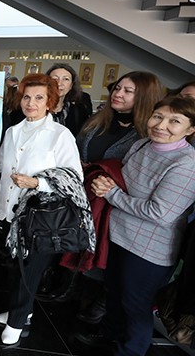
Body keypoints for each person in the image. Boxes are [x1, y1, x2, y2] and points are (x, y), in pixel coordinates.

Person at [81, 96, 195, 356]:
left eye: (174, 121)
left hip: (149, 250)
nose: (161, 125)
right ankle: (109, 338)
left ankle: (130, 351)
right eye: (158, 116)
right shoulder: (142, 144)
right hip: (118, 235)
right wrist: (105, 182)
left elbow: (160, 213)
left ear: (190, 129)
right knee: (113, 293)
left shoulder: (186, 164)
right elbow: (123, 180)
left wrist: (111, 194)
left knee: (135, 305)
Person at [55, 72, 164, 317]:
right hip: (81, 191)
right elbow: (75, 149)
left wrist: (107, 179)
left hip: (113, 202)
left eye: (128, 91)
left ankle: (99, 300)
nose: (118, 94)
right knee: (75, 239)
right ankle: (69, 286)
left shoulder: (146, 135)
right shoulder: (98, 120)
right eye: (117, 88)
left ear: (145, 97)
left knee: (102, 250)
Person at [0, 73, 84, 346]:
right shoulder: (13, 131)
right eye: (27, 97)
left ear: (50, 102)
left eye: (39, 98)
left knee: (30, 270)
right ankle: (21, 312)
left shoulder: (60, 135)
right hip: (11, 210)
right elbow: (0, 165)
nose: (31, 103)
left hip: (42, 216)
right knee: (15, 266)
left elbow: (74, 178)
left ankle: (18, 321)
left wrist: (37, 183)